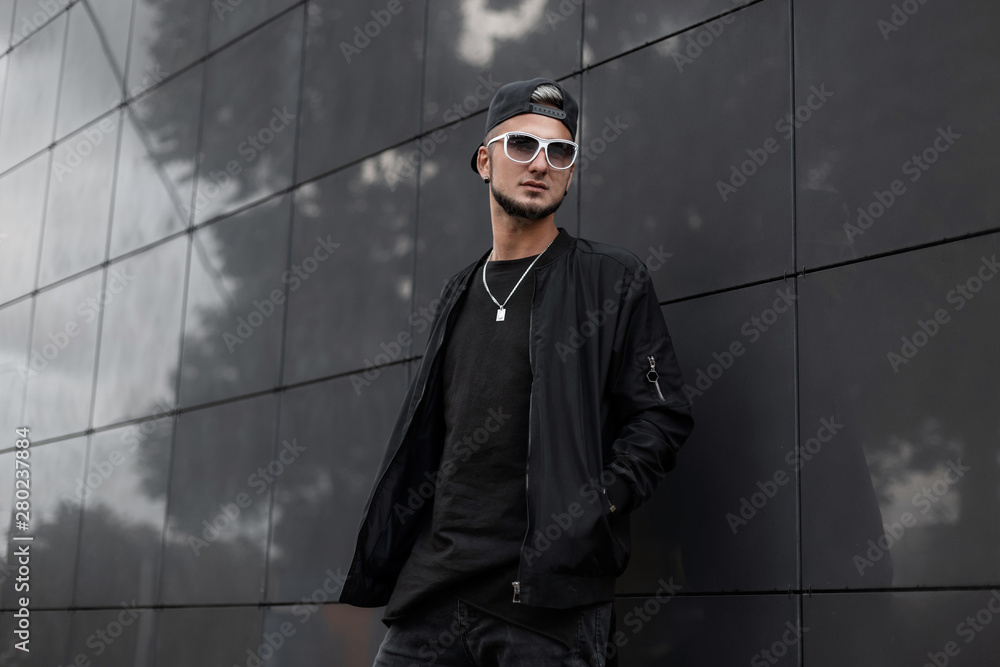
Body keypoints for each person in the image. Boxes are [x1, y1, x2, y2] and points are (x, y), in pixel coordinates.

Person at [339, 77, 694, 666]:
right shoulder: (459, 291)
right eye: (522, 145)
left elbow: (661, 416)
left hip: (546, 610)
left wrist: (596, 503)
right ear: (485, 160)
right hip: (434, 594)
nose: (541, 164)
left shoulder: (610, 280)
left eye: (560, 152)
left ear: (572, 172)